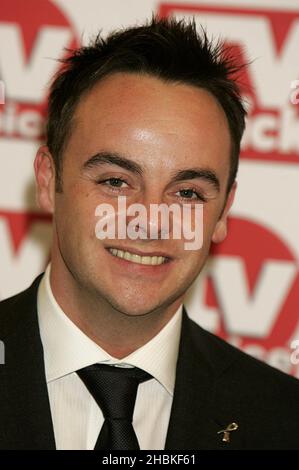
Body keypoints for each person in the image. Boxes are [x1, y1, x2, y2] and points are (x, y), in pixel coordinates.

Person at [0, 16, 298, 451]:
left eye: (188, 192)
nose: (150, 220)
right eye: (115, 182)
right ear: (48, 181)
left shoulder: (284, 420)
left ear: (223, 212)